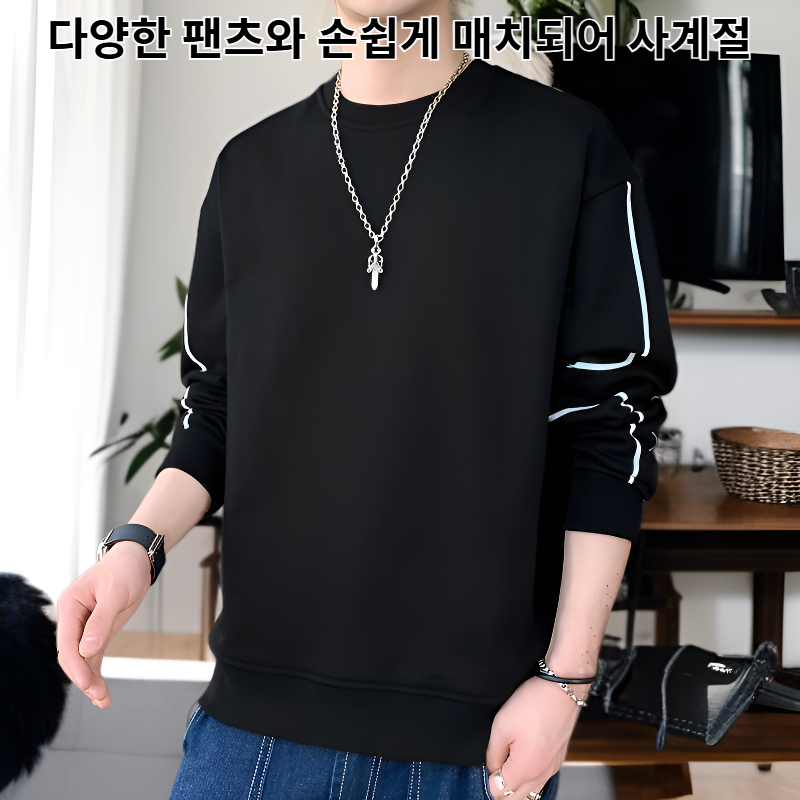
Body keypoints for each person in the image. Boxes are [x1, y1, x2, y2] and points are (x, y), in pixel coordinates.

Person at [56, 1, 677, 798]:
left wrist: (566, 679)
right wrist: (135, 548)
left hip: (472, 740)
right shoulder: (248, 168)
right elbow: (215, 409)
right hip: (249, 732)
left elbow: (610, 423)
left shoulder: (569, 147)